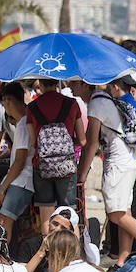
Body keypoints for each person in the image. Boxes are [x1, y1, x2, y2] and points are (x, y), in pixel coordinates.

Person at [78, 77, 136, 267]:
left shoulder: (97, 103)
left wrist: (82, 173)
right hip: (129, 159)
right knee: (123, 211)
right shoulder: (105, 97)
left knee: (116, 214)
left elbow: (91, 144)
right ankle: (122, 259)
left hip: (118, 162)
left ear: (84, 84)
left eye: (73, 83)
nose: (70, 87)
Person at [26, 79, 86, 234]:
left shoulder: (32, 107)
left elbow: (34, 142)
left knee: (46, 212)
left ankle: (47, 252)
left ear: (41, 84)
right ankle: (72, 253)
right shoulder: (72, 104)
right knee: (69, 213)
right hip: (66, 164)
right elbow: (83, 140)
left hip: (42, 165)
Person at [0, 82, 33, 244]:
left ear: (7, 101)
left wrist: (2, 189)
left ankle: (1, 259)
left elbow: (20, 162)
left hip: (22, 181)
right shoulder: (24, 122)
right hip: (17, 179)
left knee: (3, 223)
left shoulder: (24, 124)